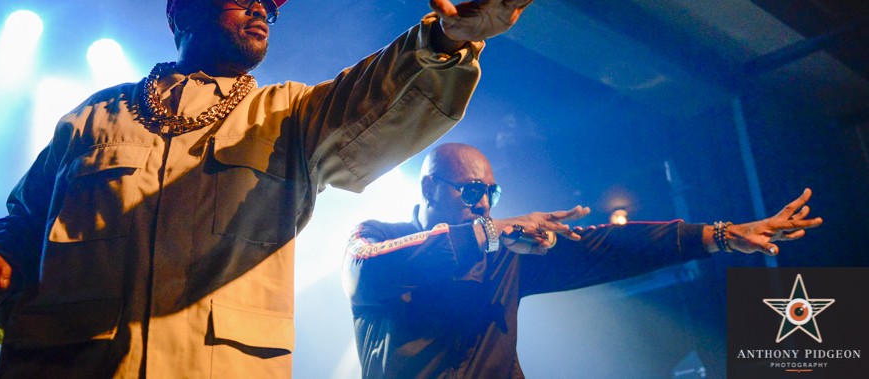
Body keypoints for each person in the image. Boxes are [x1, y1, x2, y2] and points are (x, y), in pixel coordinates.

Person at [0, 0, 551, 379]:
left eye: (268, 5)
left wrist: (441, 43)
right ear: (181, 16)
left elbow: (372, 95)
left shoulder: (287, 114)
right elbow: (19, 226)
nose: (258, 8)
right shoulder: (92, 118)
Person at [343, 142, 823, 379]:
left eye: (491, 192)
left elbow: (608, 248)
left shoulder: (507, 252)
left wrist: (718, 235)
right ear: (428, 188)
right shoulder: (379, 237)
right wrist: (490, 233)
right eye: (472, 191)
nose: (486, 203)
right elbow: (367, 272)